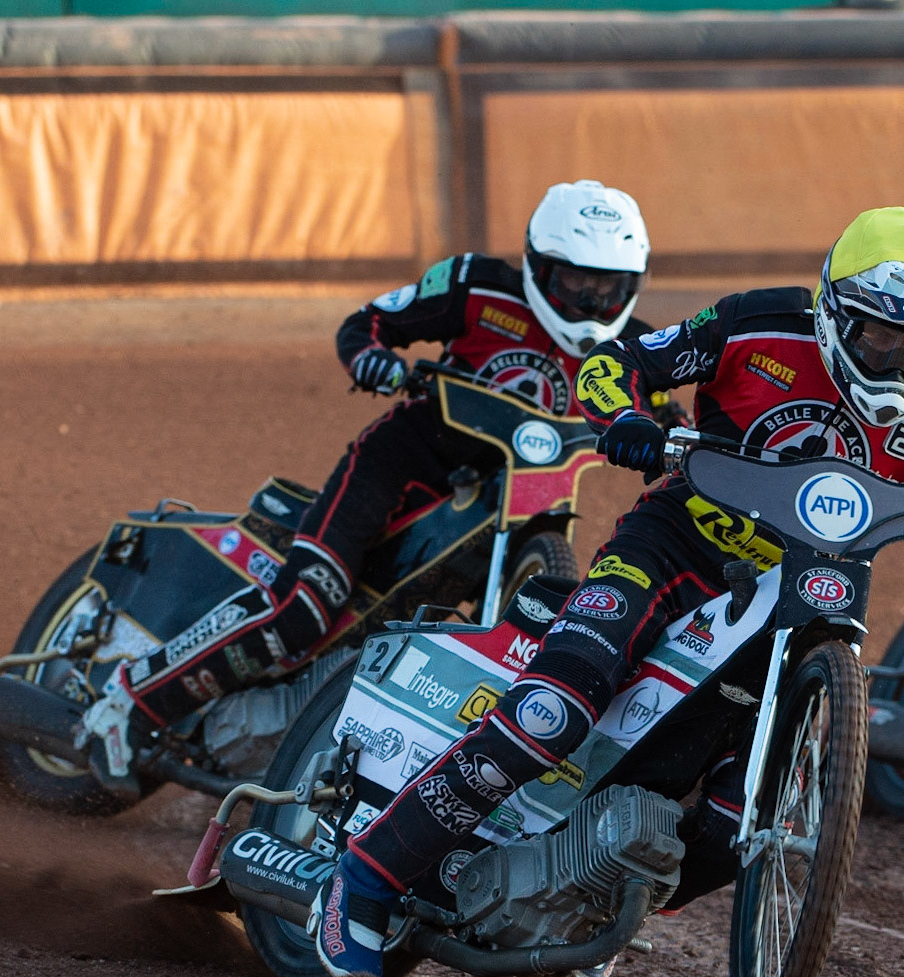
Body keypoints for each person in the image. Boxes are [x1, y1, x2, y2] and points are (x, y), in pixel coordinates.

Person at [313, 206, 904, 977]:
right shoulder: (755, 322)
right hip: (673, 548)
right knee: (554, 709)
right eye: (882, 337)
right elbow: (617, 363)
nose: (903, 360)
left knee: (732, 823)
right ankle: (366, 875)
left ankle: (596, 907)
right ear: (837, 310)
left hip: (803, 586)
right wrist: (627, 417)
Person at [79, 180, 656, 792]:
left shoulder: (636, 349)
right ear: (539, 268)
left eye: (609, 287)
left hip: (512, 502)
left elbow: (670, 414)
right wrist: (372, 359)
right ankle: (127, 703)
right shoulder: (476, 286)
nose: (593, 300)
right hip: (400, 466)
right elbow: (370, 321)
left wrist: (677, 442)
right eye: (576, 283)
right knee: (304, 606)